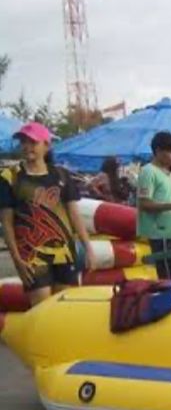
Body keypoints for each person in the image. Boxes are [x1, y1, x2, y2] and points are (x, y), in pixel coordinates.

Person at [0, 122, 95, 306]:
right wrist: (17, 260)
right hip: (31, 256)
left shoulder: (61, 175)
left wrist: (88, 248)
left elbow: (75, 216)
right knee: (42, 310)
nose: (27, 147)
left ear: (46, 145)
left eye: (33, 142)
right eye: (23, 142)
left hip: (65, 252)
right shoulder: (10, 178)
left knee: (64, 309)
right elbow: (7, 223)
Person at [137, 131, 171, 279]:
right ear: (158, 151)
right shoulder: (148, 172)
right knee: (166, 277)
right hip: (160, 234)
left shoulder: (169, 173)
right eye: (170, 152)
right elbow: (144, 203)